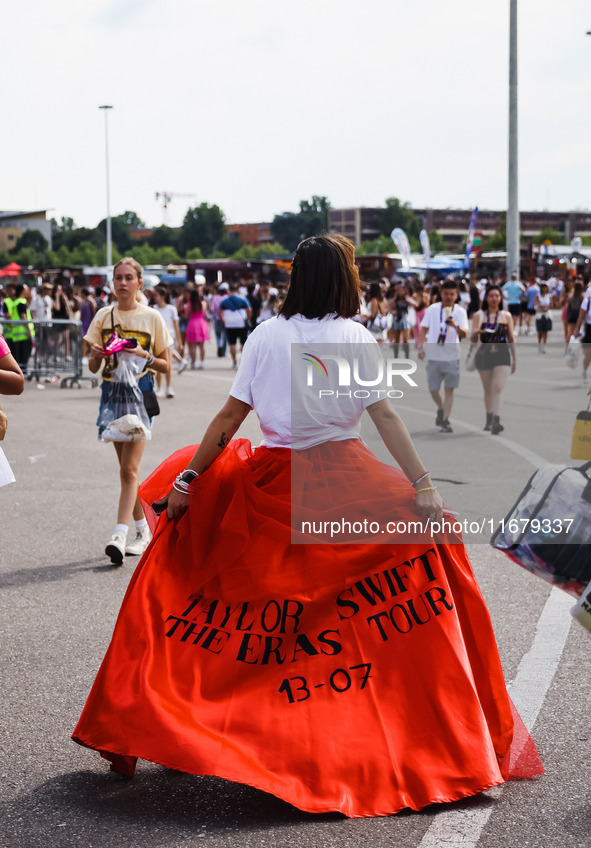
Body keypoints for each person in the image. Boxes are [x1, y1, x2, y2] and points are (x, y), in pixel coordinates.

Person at [72, 234, 542, 818]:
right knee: (393, 600)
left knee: (251, 614)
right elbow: (385, 415)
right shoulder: (353, 336)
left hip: (270, 479)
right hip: (347, 480)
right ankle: (413, 732)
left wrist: (188, 483)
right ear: (343, 278)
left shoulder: (267, 334)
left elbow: (228, 418)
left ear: (298, 278)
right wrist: (422, 485)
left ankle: (228, 723)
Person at [84, 257, 172, 564]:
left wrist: (141, 353)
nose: (122, 283)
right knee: (126, 472)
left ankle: (119, 535)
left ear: (139, 283)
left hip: (141, 392)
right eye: (117, 278)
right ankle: (143, 529)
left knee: (129, 470)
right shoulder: (103, 316)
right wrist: (95, 355)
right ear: (111, 282)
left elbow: (165, 365)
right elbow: (95, 368)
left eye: (128, 278)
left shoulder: (152, 317)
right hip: (112, 394)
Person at [418, 279, 469, 433]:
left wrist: (455, 325)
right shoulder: (433, 309)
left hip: (451, 356)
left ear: (456, 295)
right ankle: (441, 408)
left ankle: (445, 420)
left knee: (449, 389)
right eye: (446, 293)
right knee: (433, 389)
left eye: (452, 294)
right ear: (441, 293)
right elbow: (423, 330)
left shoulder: (460, 312)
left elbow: (464, 333)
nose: (448, 297)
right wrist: (421, 347)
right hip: (434, 355)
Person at [470, 285, 516, 433]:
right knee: (488, 389)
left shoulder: (506, 316)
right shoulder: (479, 315)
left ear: (501, 298)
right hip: (485, 353)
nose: (494, 299)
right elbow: (472, 338)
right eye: (491, 296)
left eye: (497, 296)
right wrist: (477, 331)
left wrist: (515, 358)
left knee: (497, 387)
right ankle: (489, 417)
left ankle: (496, 420)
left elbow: (511, 338)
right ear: (486, 298)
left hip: (502, 353)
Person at [153, 285, 187, 391]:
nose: (154, 297)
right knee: (158, 364)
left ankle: (168, 387)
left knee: (168, 365)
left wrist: (180, 343)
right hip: (157, 339)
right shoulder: (154, 309)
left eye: (156, 295)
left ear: (163, 296)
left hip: (168, 338)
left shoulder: (171, 309)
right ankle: (159, 387)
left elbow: (176, 327)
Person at [220, 282, 251, 368]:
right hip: (241, 323)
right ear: (238, 290)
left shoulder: (225, 300)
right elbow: (249, 309)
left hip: (229, 324)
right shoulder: (243, 298)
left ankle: (234, 361)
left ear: (229, 290)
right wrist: (247, 319)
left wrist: (224, 320)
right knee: (243, 343)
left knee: (232, 344)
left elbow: (219, 312)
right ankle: (244, 361)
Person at [185, 287, 210, 370]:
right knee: (202, 346)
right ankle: (202, 362)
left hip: (192, 324)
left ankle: (194, 362)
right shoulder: (203, 303)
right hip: (202, 324)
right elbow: (205, 313)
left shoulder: (188, 305)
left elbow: (187, 315)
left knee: (192, 346)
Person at [533, 282, 552, 353]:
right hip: (540, 314)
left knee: (546, 331)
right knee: (540, 331)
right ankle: (539, 344)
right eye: (543, 287)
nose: (544, 289)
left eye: (545, 287)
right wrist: (539, 306)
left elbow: (551, 305)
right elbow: (534, 304)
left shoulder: (549, 296)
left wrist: (546, 307)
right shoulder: (538, 296)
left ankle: (544, 345)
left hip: (546, 314)